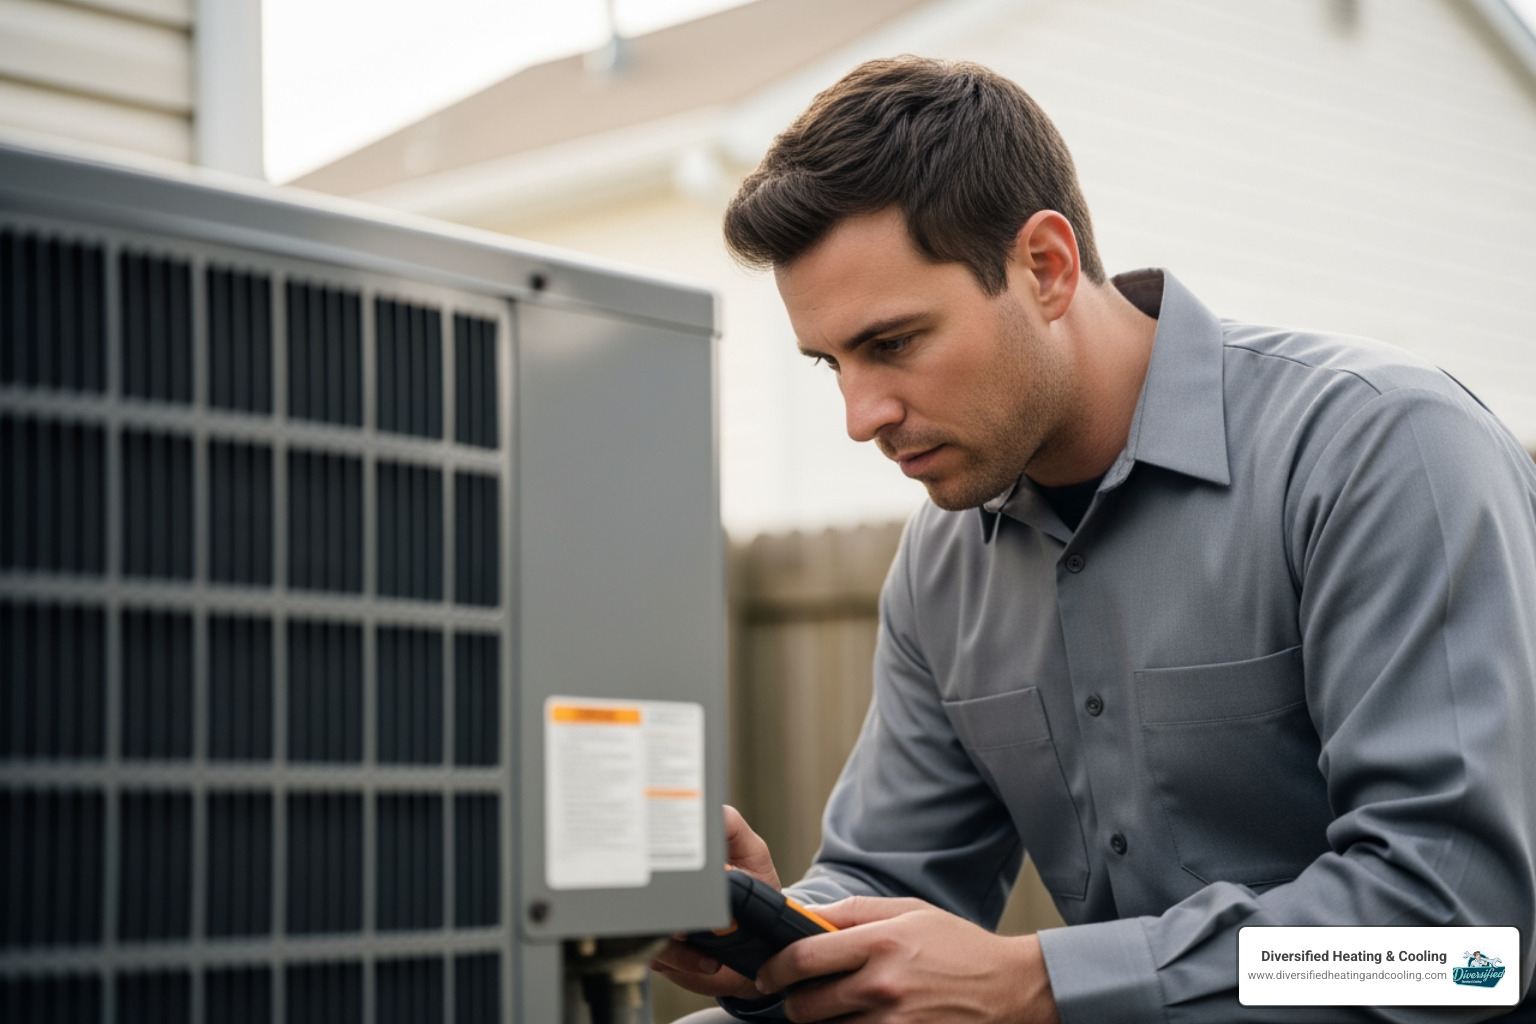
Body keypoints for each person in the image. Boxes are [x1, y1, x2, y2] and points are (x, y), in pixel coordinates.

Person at [651, 56, 1536, 1023]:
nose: (861, 415)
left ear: (1046, 267)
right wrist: (776, 938)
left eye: (894, 342)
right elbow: (895, 880)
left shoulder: (1384, 453)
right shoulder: (944, 564)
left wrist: (1041, 983)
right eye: (831, 363)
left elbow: (1461, 946)